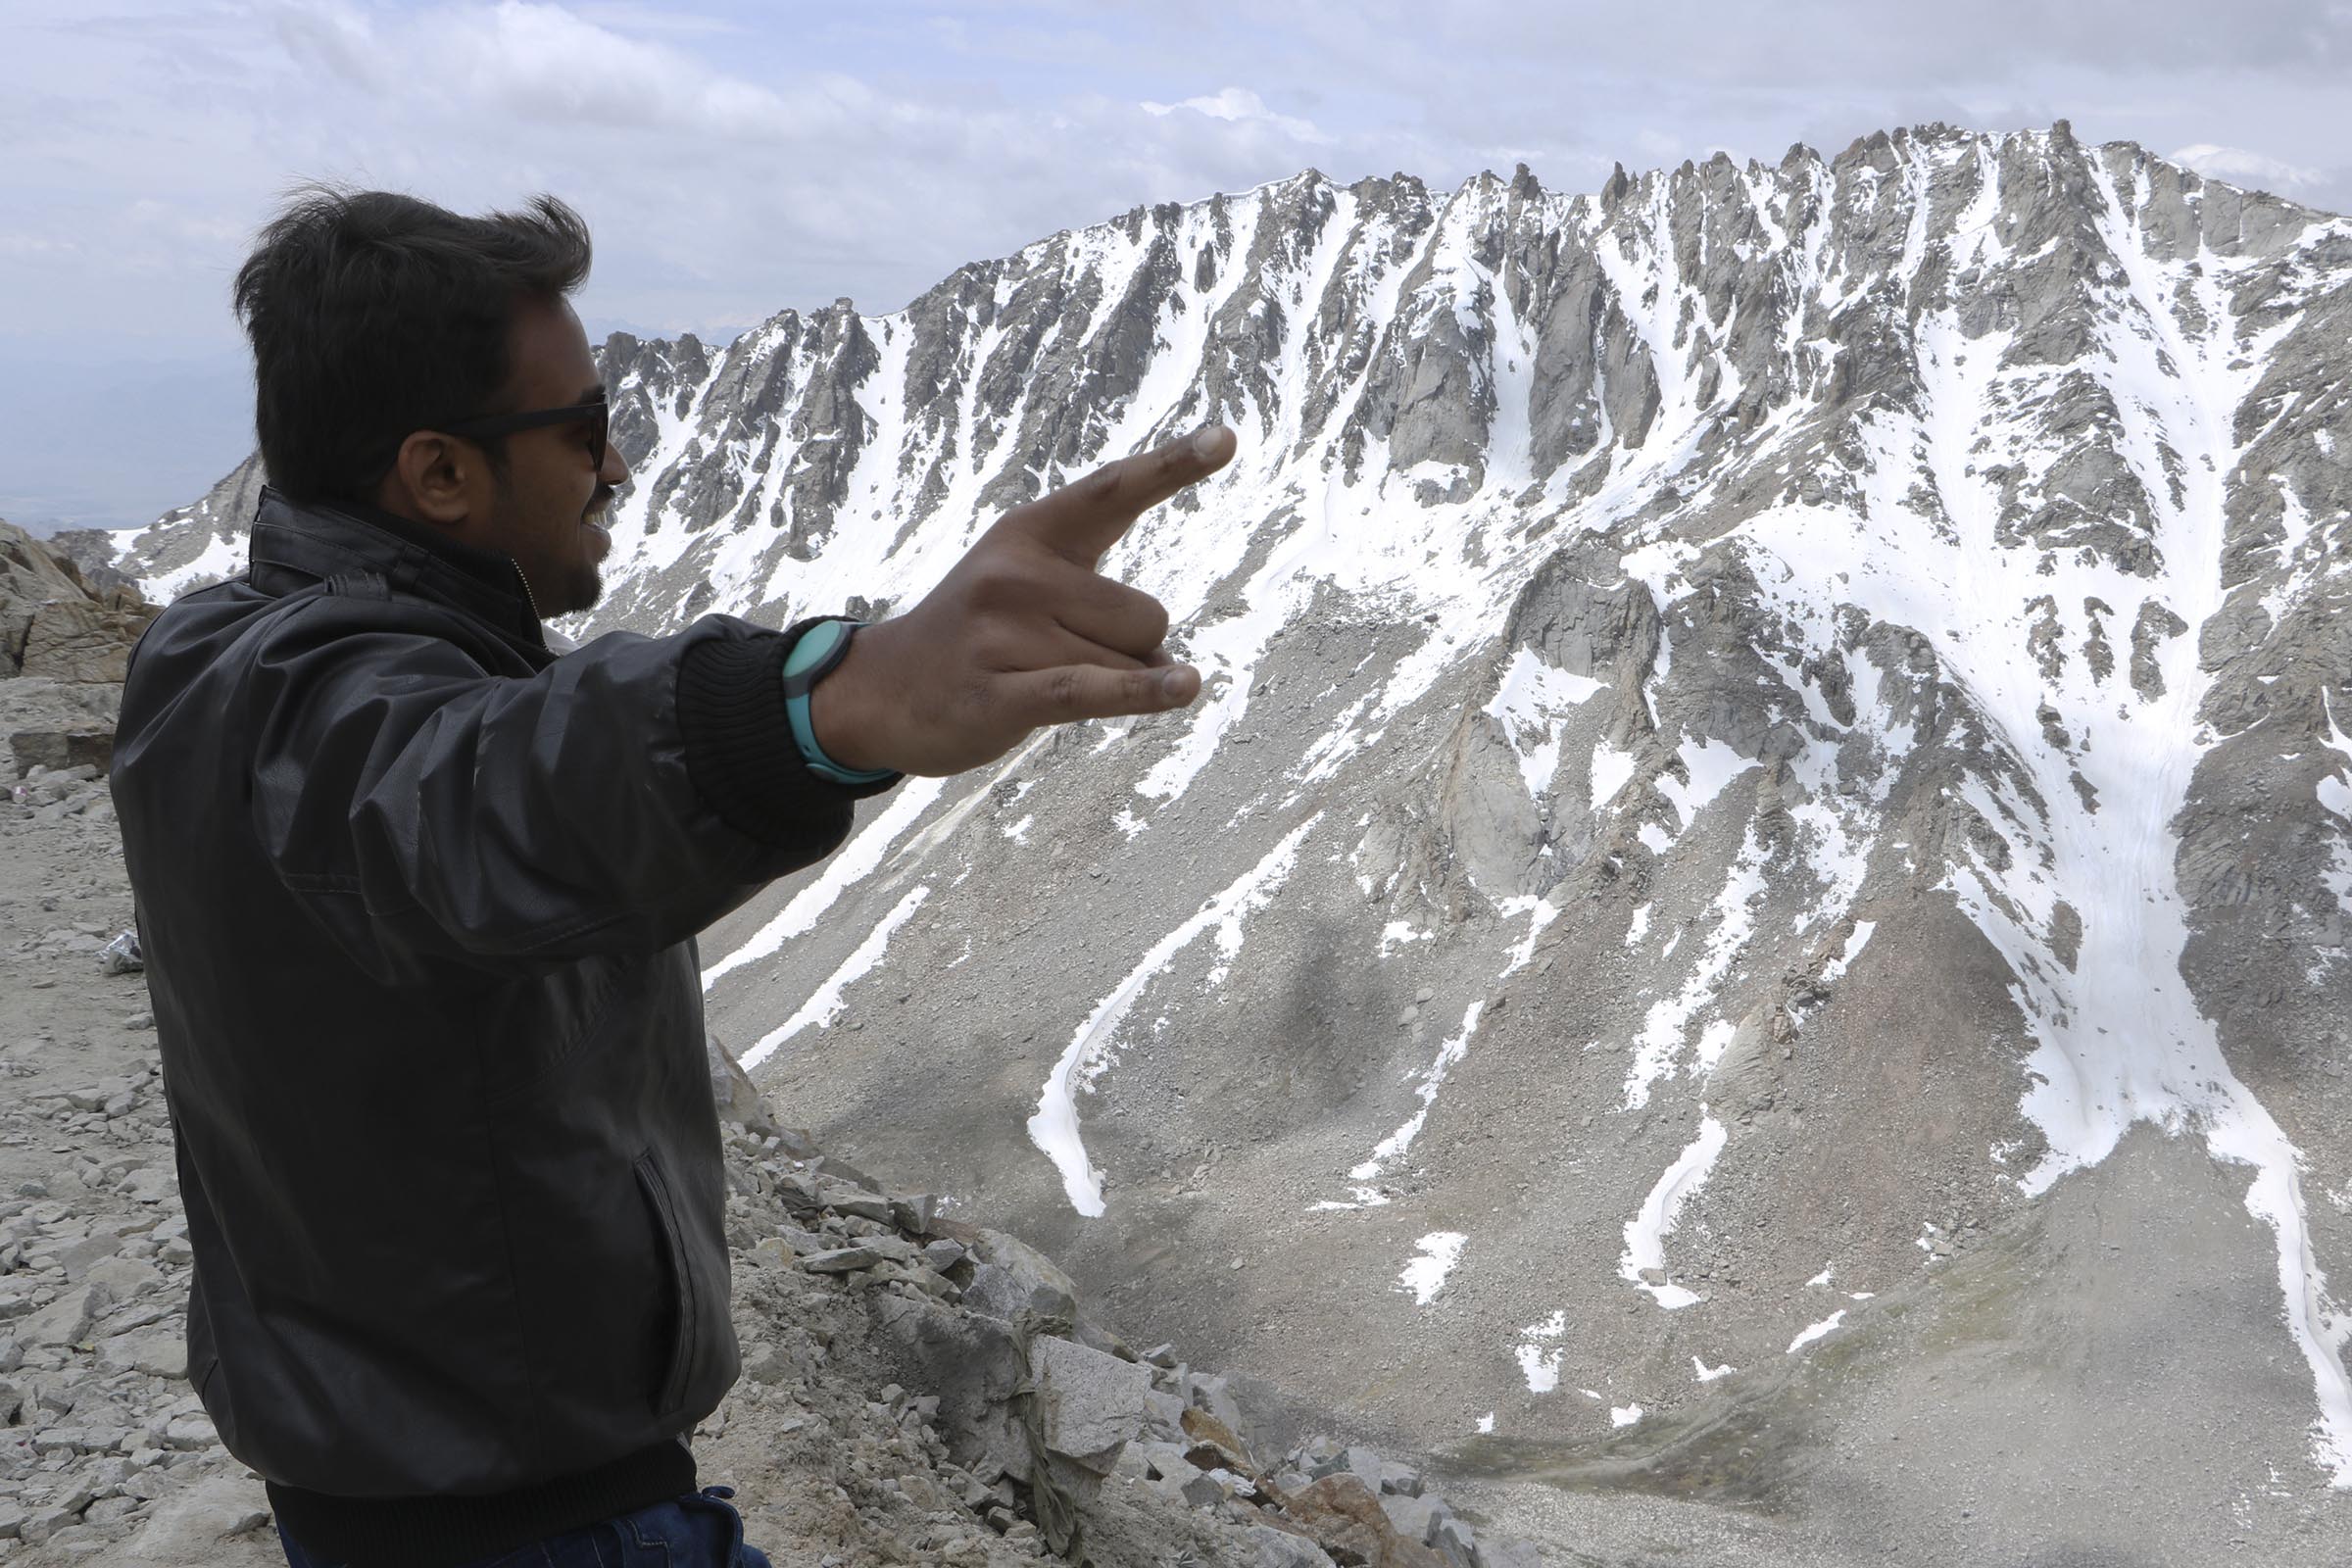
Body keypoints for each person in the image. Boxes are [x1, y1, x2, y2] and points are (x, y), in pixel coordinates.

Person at [110, 187, 1235, 1568]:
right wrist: (829, 704)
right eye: (582, 430)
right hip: (521, 1527)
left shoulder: (214, 661)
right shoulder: (322, 717)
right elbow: (473, 796)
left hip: (442, 1492)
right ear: (440, 476)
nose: (620, 464)